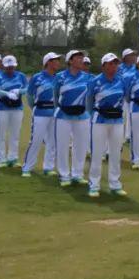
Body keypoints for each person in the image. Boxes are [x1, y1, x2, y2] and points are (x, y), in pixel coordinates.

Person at [86, 53, 127, 198]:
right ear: (103, 66)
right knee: (97, 153)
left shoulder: (121, 81)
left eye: (115, 63)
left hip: (117, 120)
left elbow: (125, 98)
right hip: (100, 120)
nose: (113, 66)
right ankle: (94, 184)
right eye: (110, 64)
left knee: (116, 153)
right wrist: (93, 115)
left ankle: (115, 183)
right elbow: (89, 101)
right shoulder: (95, 81)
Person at [55, 50, 92, 187]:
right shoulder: (60, 77)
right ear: (70, 61)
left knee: (81, 145)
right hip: (64, 116)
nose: (82, 60)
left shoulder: (88, 78)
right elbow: (55, 96)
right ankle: (64, 174)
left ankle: (77, 174)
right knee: (63, 145)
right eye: (78, 58)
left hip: (82, 116)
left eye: (82, 58)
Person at [22, 52, 61, 177]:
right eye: (55, 60)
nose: (58, 62)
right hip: (40, 112)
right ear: (48, 62)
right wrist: (34, 107)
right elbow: (29, 95)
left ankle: (48, 167)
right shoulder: (37, 77)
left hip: (55, 113)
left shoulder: (59, 77)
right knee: (36, 140)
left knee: (52, 141)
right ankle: (27, 167)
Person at [0, 55, 26, 167]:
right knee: (1, 134)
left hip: (17, 108)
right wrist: (7, 93)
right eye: (8, 67)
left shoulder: (21, 76)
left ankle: (13, 158)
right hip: (2, 108)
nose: (10, 69)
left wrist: (19, 91)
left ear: (15, 66)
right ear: (3, 66)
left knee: (15, 134)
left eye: (12, 67)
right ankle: (1, 159)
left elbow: (27, 89)